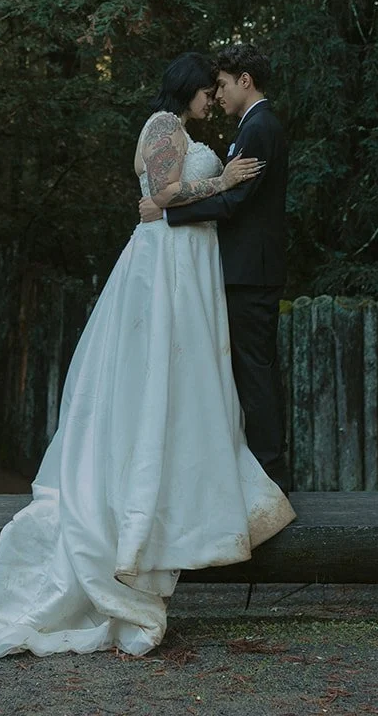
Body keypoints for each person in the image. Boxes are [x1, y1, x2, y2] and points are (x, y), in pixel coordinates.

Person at [0, 51, 295, 660]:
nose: (212, 100)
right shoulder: (163, 126)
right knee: (159, 369)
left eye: (218, 89)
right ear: (190, 89)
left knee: (197, 373)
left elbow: (170, 198)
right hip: (167, 260)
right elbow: (164, 192)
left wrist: (179, 203)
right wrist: (214, 184)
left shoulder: (222, 129)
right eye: (207, 91)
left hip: (191, 260)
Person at [140, 43, 289, 490]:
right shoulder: (250, 125)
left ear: (246, 81)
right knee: (244, 370)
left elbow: (236, 201)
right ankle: (255, 475)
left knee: (254, 372)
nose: (217, 94)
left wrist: (166, 213)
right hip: (238, 269)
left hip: (249, 272)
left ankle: (269, 477)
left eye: (222, 85)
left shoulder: (259, 126)